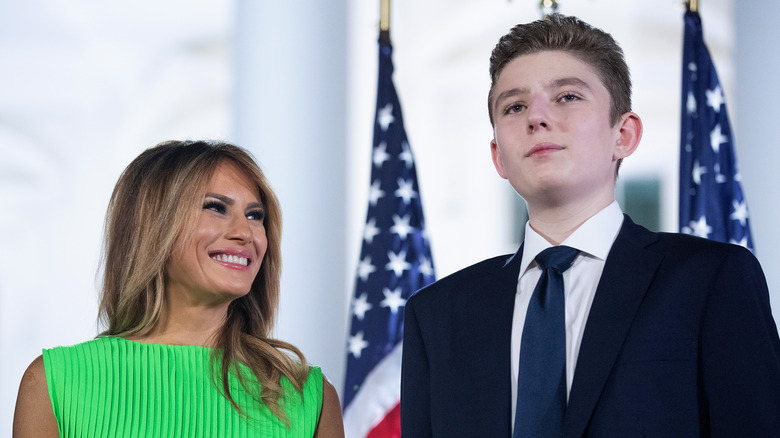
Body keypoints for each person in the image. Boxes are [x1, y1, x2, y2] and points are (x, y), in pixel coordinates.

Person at [401, 13, 780, 437]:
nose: (537, 118)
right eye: (515, 106)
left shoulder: (712, 279)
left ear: (624, 135)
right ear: (499, 157)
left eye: (567, 97)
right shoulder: (435, 314)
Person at [13, 140, 345, 437]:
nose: (245, 233)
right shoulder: (55, 383)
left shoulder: (308, 397)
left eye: (255, 215)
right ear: (154, 226)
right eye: (216, 207)